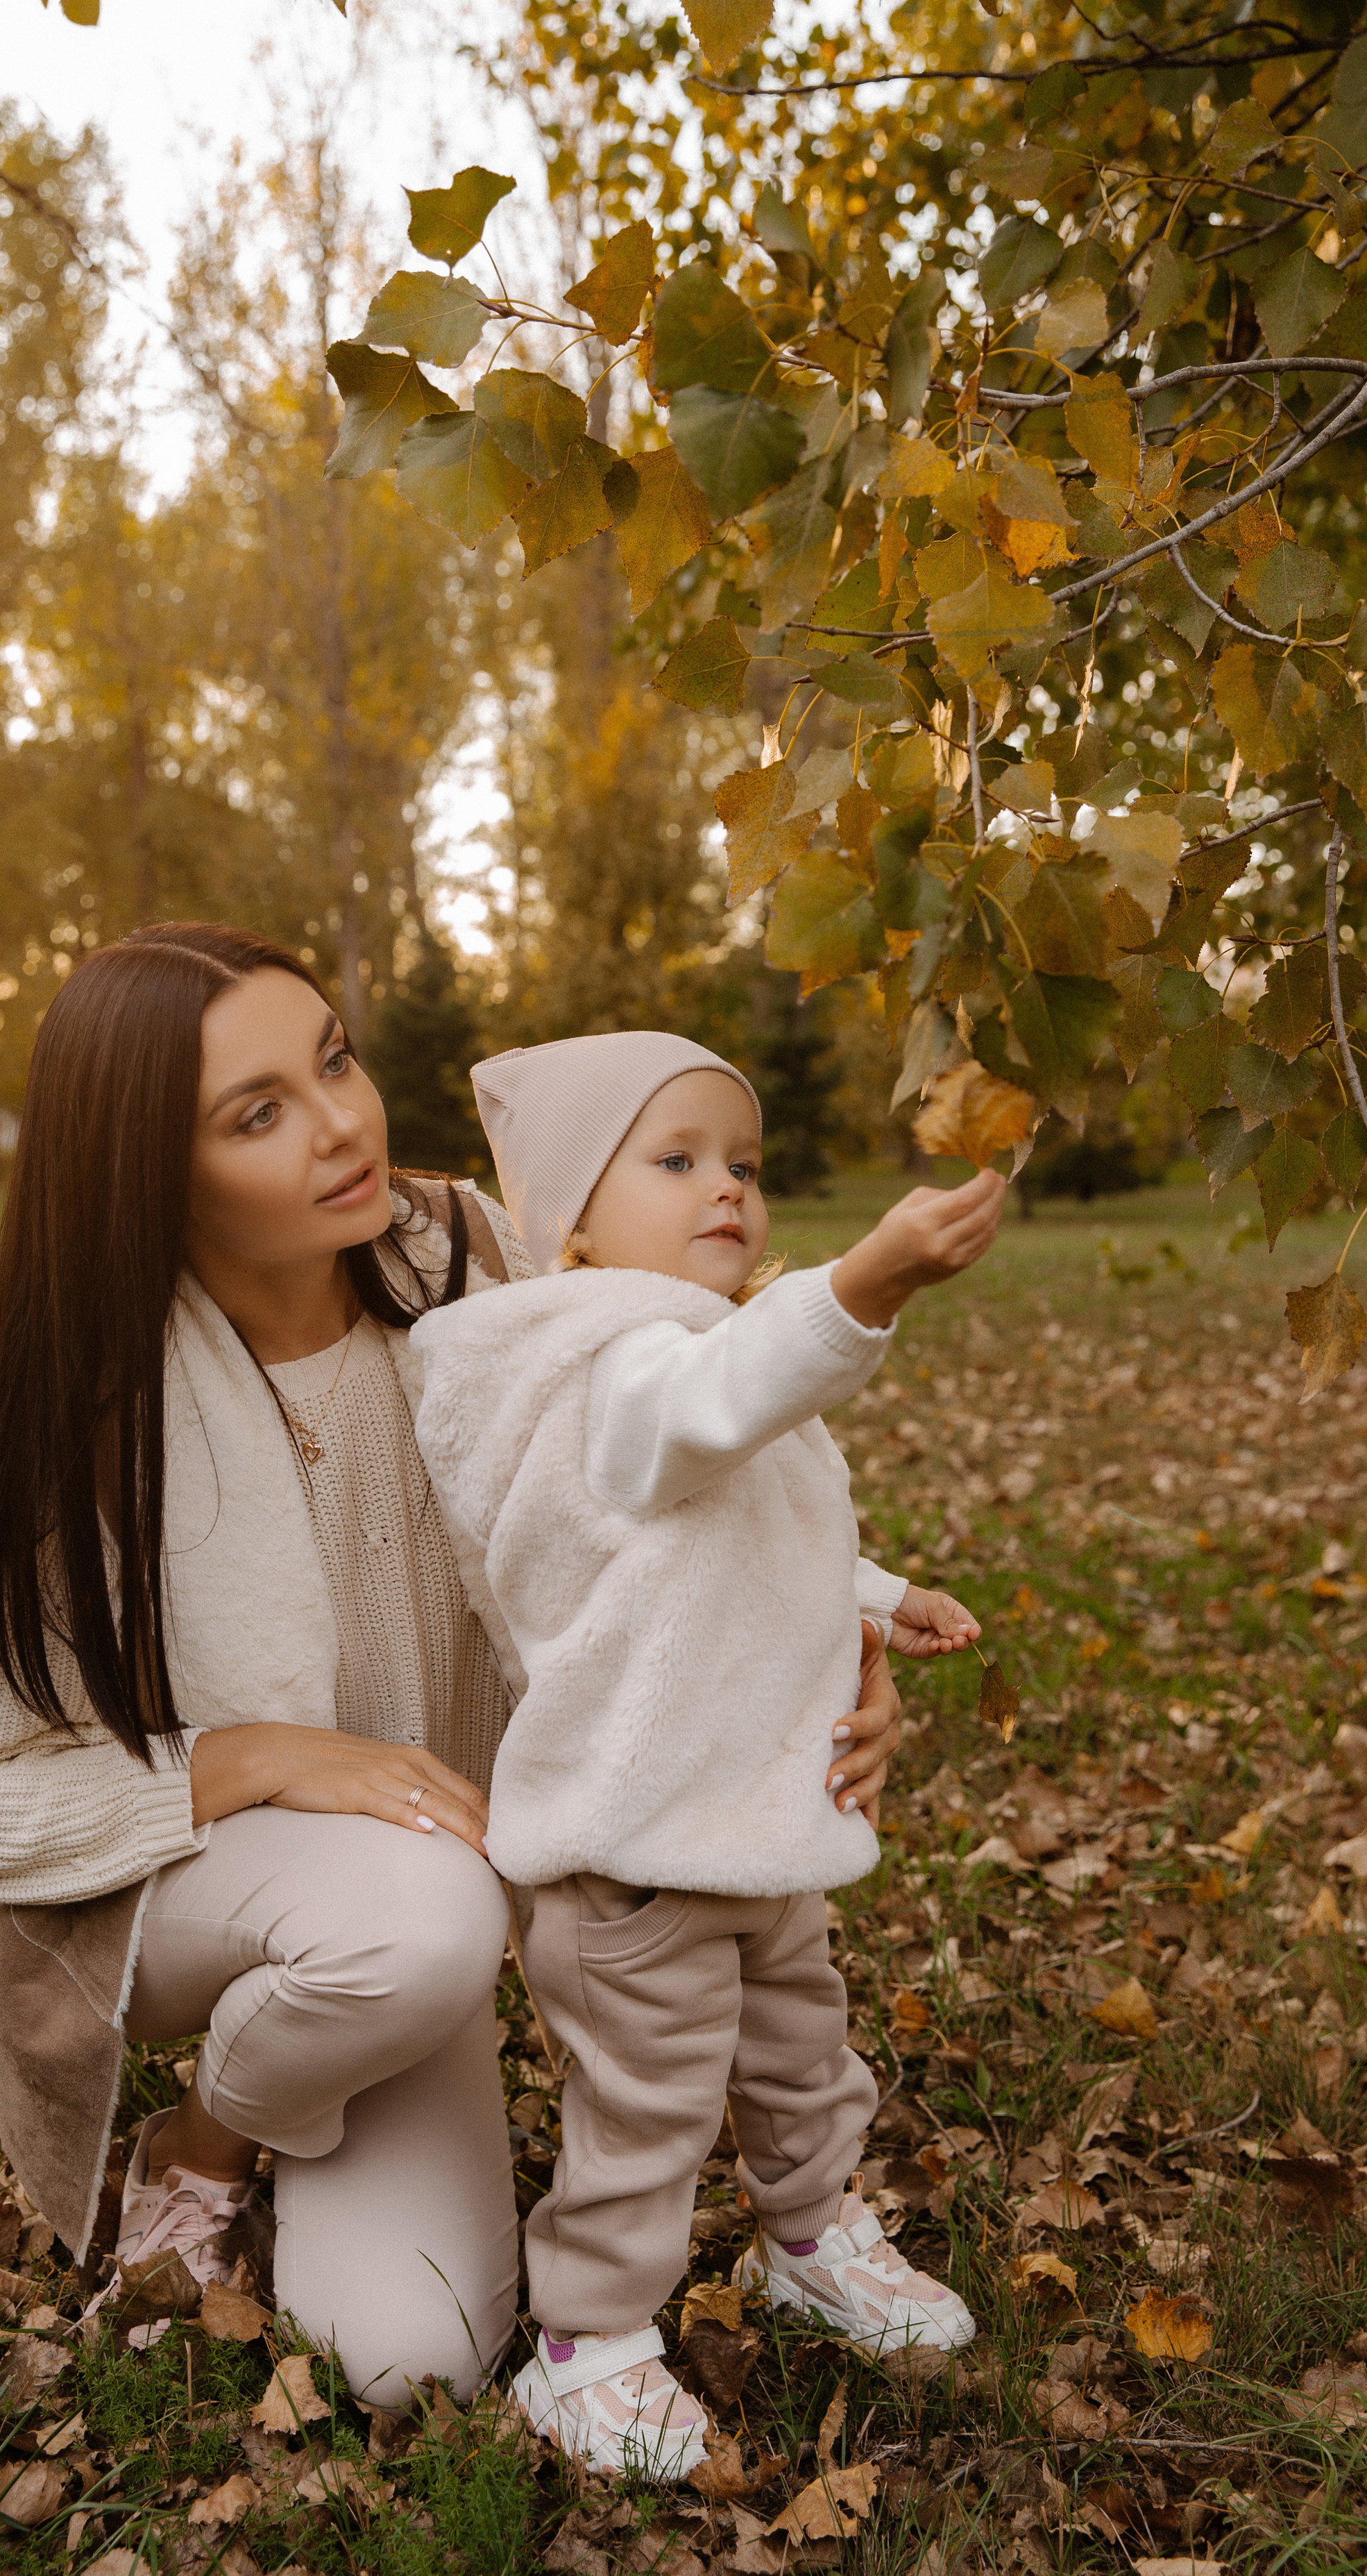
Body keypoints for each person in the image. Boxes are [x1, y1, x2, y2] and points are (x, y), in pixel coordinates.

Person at [0, 932, 908, 2409]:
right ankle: (206, 2144)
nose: (342, 1123)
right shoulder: (98, 1413)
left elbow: (698, 1480)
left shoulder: (482, 1262)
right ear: (144, 1173)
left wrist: (838, 1661)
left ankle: (315, 2071)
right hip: (196, 1892)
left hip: (423, 1885)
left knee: (403, 2354)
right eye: (256, 1114)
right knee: (421, 1913)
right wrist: (267, 1757)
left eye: (334, 1058)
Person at [407, 1032, 1006, 2475]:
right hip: (634, 1854)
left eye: (739, 1163)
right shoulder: (606, 1372)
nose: (725, 1189)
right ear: (572, 1226)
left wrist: (875, 1595)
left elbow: (742, 1542)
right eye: (673, 1161)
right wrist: (859, 1287)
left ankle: (808, 2237)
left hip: (742, 1822)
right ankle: (586, 2344)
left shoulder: (693, 1362)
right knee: (647, 2101)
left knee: (802, 2052)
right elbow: (696, 1420)